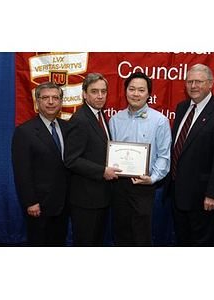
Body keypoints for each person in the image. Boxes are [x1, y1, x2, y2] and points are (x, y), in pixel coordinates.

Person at [165, 63, 214, 246]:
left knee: (200, 243)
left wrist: (213, 194)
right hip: (177, 193)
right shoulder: (182, 107)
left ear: (211, 83)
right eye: (189, 81)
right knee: (182, 239)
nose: (193, 86)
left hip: (202, 197)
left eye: (199, 81)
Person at [109, 72, 172, 246]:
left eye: (141, 90)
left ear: (148, 94)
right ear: (125, 91)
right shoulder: (115, 119)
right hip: (119, 185)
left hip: (144, 185)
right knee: (120, 231)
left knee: (141, 233)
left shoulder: (160, 121)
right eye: (132, 89)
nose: (136, 94)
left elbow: (164, 156)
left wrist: (152, 179)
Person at [64, 73, 121, 246]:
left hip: (100, 196)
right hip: (85, 199)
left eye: (103, 91)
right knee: (86, 243)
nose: (100, 96)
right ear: (84, 94)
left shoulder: (99, 115)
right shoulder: (80, 119)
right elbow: (71, 159)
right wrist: (102, 171)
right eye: (94, 91)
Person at [12, 81, 70, 246]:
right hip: (39, 206)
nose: (51, 102)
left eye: (55, 98)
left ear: (61, 102)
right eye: (45, 98)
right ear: (37, 102)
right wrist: (31, 202)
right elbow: (22, 172)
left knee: (58, 243)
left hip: (64, 204)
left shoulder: (67, 127)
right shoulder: (24, 132)